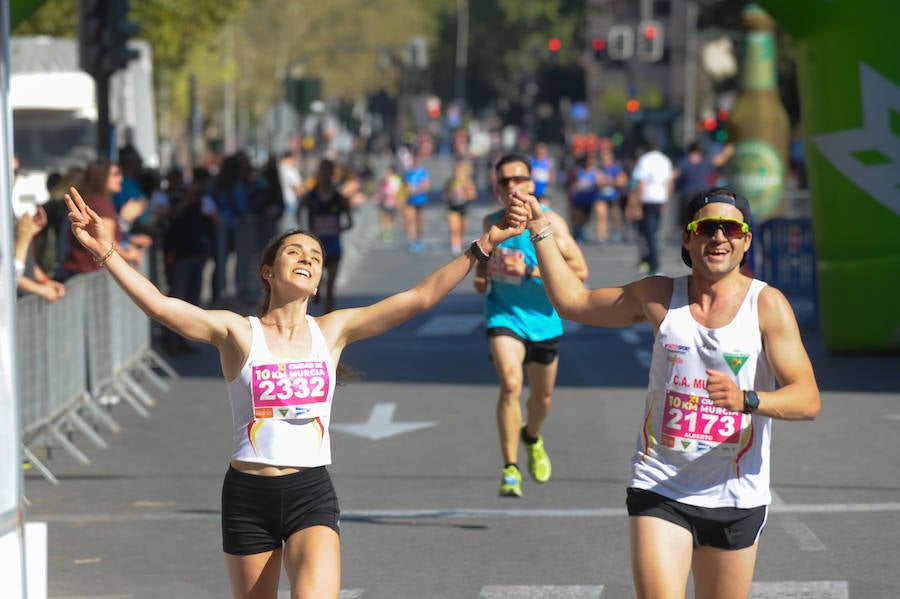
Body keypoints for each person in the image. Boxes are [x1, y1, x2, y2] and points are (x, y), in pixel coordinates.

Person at [64, 182, 529, 599]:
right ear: (268, 271)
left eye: (316, 256)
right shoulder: (238, 332)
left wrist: (483, 245)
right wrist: (107, 253)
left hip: (311, 492)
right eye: (295, 252)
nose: (307, 258)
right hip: (247, 496)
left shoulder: (333, 330)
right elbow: (163, 308)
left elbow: (418, 299)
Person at [516, 185, 820, 599]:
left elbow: (807, 399)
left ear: (745, 240)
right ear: (687, 238)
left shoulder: (766, 306)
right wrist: (540, 228)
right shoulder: (659, 296)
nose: (718, 238)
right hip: (660, 487)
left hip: (735, 495)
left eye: (730, 229)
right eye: (706, 228)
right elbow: (573, 303)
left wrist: (747, 399)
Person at [474, 154, 589, 497]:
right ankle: (510, 469)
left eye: (518, 179)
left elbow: (581, 273)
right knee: (511, 384)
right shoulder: (491, 222)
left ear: (531, 184)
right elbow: (482, 268)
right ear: (497, 188)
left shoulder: (550, 222)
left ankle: (532, 437)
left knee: (542, 398)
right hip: (503, 315)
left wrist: (527, 271)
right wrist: (483, 277)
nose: (512, 186)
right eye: (504, 181)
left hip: (545, 320)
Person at [56, 158, 145, 282]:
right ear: (101, 178)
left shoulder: (93, 200)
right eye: (115, 175)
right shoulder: (101, 204)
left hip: (78, 272)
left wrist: (128, 244)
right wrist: (128, 256)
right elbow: (108, 241)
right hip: (86, 274)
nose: (120, 179)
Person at [300, 158, 353, 313]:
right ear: (319, 173)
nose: (325, 175)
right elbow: (298, 211)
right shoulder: (310, 197)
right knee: (314, 284)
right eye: (323, 171)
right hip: (315, 247)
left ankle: (327, 318)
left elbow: (350, 222)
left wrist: (339, 228)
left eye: (329, 171)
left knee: (330, 286)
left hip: (334, 245)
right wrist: (304, 231)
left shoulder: (339, 198)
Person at [628, 140, 674, 275]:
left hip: (647, 199)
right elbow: (670, 182)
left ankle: (653, 263)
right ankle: (649, 260)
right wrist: (666, 201)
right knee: (655, 231)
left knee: (648, 233)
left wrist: (637, 204)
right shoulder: (665, 160)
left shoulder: (644, 160)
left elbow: (641, 182)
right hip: (660, 199)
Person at [443, 159, 478, 256]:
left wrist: (465, 192)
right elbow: (445, 196)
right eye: (456, 170)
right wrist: (451, 193)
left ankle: (460, 239)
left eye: (460, 170)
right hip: (452, 208)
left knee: (462, 228)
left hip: (463, 208)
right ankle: (455, 249)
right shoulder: (450, 182)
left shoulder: (467, 182)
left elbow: (473, 195)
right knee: (454, 229)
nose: (457, 173)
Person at [403, 152, 430, 253]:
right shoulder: (408, 172)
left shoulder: (423, 172)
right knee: (410, 220)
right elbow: (405, 186)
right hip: (410, 200)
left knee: (419, 220)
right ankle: (412, 241)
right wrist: (408, 190)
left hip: (420, 199)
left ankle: (419, 239)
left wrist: (416, 190)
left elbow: (426, 186)